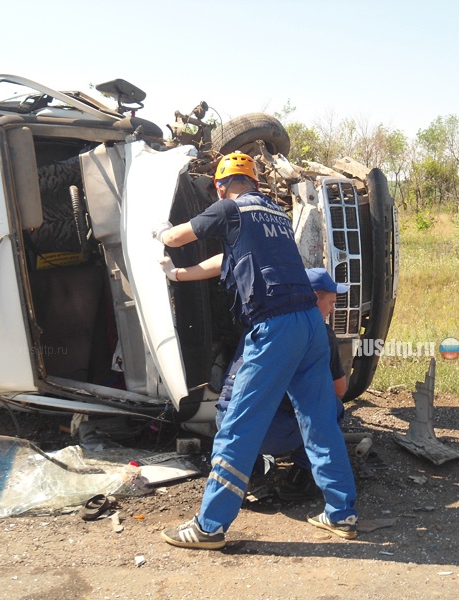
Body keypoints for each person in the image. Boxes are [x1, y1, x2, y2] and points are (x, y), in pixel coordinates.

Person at [153, 152, 358, 549]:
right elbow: (224, 259)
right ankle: (342, 513)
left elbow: (180, 238)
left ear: (220, 186)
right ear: (257, 183)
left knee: (237, 426)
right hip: (310, 326)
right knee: (318, 422)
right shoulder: (275, 215)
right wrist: (179, 275)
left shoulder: (230, 207)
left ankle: (209, 527)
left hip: (275, 327)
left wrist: (162, 233)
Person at [215, 267, 349, 500]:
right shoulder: (319, 331)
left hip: (224, 422)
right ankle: (302, 477)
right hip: (269, 434)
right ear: (315, 298)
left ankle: (249, 472)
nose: (332, 310)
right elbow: (339, 390)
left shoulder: (260, 322)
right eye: (331, 303)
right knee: (333, 408)